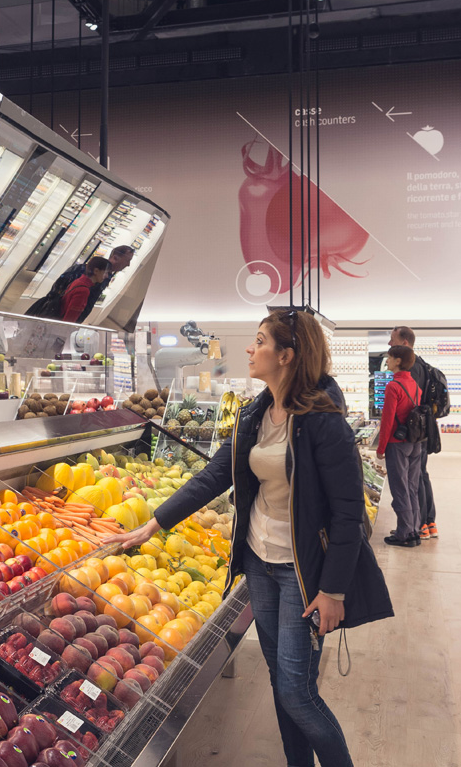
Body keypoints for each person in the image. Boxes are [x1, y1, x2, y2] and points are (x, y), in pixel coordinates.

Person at [107, 309, 392, 767]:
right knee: (282, 684)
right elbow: (216, 475)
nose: (248, 348)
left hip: (303, 572)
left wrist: (333, 589)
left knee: (297, 692)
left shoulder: (323, 421)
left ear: (287, 356)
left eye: (259, 340)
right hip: (260, 563)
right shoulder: (256, 412)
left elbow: (347, 513)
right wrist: (155, 523)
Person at [389, 325, 438, 540]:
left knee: (410, 482)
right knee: (418, 478)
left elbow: (402, 409)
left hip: (409, 436)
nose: (390, 344)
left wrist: (384, 445)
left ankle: (415, 527)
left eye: (393, 340)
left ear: (405, 343)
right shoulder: (422, 366)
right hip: (420, 433)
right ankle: (424, 524)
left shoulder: (409, 372)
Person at [377, 345, 423, 547]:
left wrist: (380, 448)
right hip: (415, 442)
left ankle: (404, 534)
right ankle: (414, 529)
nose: (387, 361)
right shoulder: (415, 385)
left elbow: (387, 421)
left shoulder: (393, 387)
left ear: (397, 361)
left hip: (397, 444)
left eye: (389, 358)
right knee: (412, 488)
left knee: (399, 489)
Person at [27, 244, 135, 321]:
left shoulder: (105, 276)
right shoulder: (84, 273)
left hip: (65, 316)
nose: (128, 264)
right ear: (115, 257)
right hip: (58, 316)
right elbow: (59, 292)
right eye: (127, 260)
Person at [59, 256, 109, 323]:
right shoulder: (83, 290)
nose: (107, 276)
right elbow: (70, 319)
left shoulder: (79, 281)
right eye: (105, 272)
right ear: (96, 271)